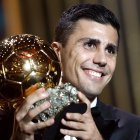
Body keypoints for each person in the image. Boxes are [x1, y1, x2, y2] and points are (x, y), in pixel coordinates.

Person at [11, 3, 140, 140]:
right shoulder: (14, 122)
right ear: (57, 52)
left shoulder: (133, 129)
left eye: (110, 50)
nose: (102, 60)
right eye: (90, 44)